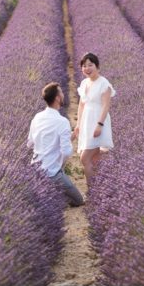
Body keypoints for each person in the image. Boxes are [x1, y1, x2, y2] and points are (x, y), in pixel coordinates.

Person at [27, 83, 84, 206]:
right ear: (58, 98)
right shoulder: (62, 122)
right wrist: (60, 165)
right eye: (62, 93)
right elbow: (66, 152)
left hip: (35, 170)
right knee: (78, 201)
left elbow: (30, 143)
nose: (63, 95)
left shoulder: (37, 117)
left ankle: (49, 196)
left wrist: (72, 136)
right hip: (53, 173)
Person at [74, 53, 115, 187]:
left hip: (98, 121)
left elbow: (105, 106)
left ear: (97, 66)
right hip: (86, 122)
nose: (87, 68)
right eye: (84, 66)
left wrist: (99, 125)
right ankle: (101, 188)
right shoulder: (84, 83)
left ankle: (92, 191)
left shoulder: (104, 84)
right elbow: (81, 104)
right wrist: (78, 124)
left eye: (90, 65)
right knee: (95, 159)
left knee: (85, 158)